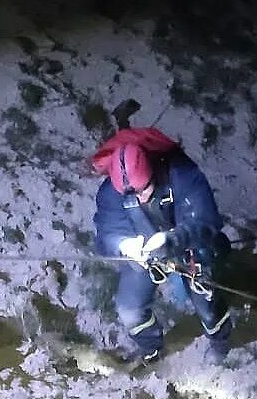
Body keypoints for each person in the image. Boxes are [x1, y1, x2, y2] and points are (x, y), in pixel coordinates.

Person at [91, 128, 233, 366]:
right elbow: (106, 234)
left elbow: (207, 221)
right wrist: (124, 245)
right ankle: (151, 349)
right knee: (129, 308)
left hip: (187, 246)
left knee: (206, 302)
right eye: (132, 196)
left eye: (144, 189)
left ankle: (220, 344)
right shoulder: (111, 193)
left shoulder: (182, 175)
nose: (140, 199)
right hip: (145, 255)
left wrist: (173, 239)